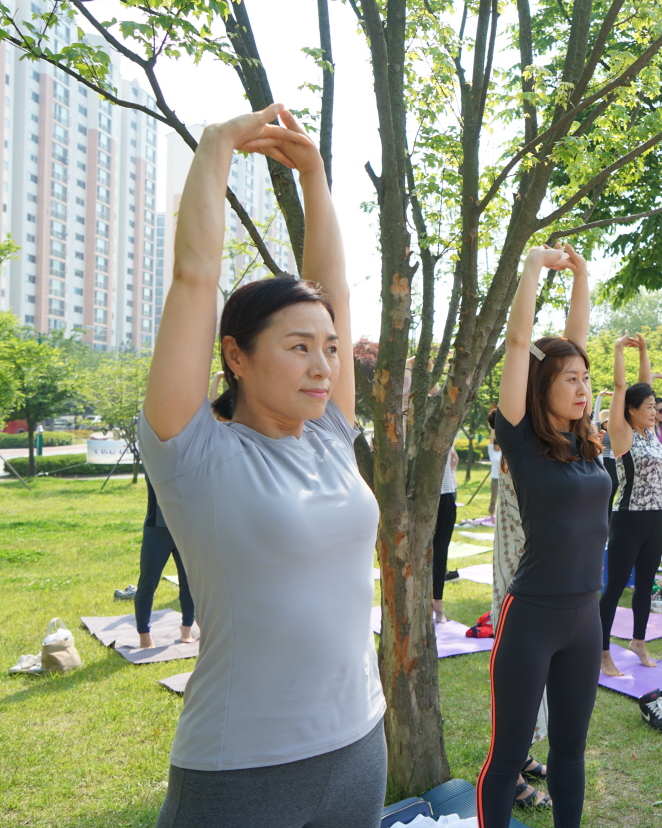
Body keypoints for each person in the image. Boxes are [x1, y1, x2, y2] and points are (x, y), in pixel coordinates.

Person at [139, 106, 386, 826]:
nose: (322, 366)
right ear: (236, 355)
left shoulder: (330, 434)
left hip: (359, 745)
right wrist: (216, 145)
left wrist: (315, 176)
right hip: (239, 771)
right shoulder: (195, 453)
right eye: (297, 346)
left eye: (330, 348)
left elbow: (333, 290)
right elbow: (193, 277)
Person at [478, 242, 606, 828]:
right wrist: (533, 268)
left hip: (585, 619)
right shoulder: (523, 442)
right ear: (542, 387)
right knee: (507, 760)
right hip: (530, 619)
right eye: (570, 381)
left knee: (570, 754)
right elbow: (517, 344)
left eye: (586, 379)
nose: (582, 388)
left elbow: (572, 345)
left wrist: (582, 277)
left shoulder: (584, 443)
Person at [486, 408, 551, 810]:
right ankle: (508, 776)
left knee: (536, 678)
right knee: (519, 679)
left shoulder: (536, 453)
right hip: (520, 585)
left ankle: (521, 756)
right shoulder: (517, 456)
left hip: (540, 582)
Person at [599, 333, 662, 676]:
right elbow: (623, 385)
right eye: (649, 408)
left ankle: (638, 641)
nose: (656, 411)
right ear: (631, 410)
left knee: (646, 585)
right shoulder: (623, 432)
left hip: (654, 520)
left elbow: (643, 384)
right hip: (627, 520)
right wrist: (617, 351)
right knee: (613, 588)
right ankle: (602, 652)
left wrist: (644, 349)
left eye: (656, 407)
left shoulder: (651, 432)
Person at [129, 474, 196, 651]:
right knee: (147, 584)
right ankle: (144, 635)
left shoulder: (189, 459)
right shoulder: (154, 457)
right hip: (157, 530)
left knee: (188, 582)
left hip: (185, 528)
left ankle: (187, 629)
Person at [432, 446, 459, 624]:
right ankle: (426, 604)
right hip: (422, 494)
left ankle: (437, 605)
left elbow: (453, 461)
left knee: (441, 553)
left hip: (447, 492)